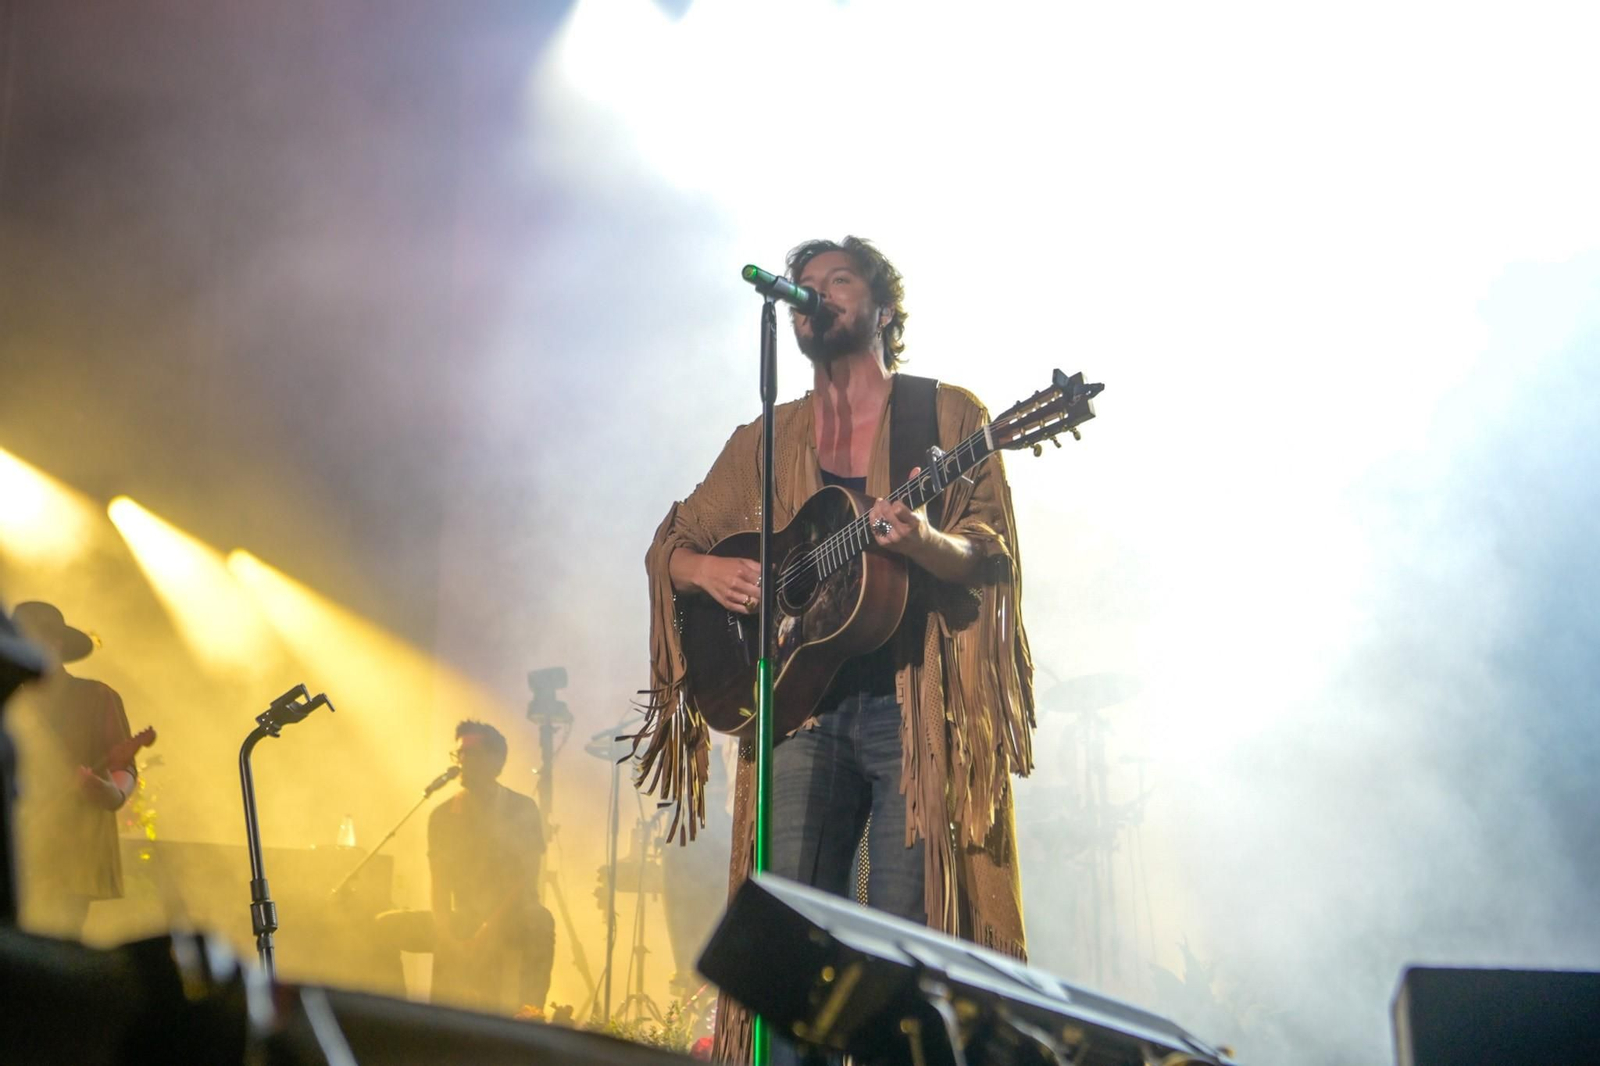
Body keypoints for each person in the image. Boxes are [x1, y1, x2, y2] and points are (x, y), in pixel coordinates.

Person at [636, 237, 1037, 1061]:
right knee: (786, 947)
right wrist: (708, 570)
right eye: (804, 288)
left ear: (884, 310)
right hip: (798, 713)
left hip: (912, 714)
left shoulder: (948, 414)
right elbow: (673, 544)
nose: (814, 296)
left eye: (837, 282)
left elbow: (987, 552)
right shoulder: (767, 436)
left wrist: (924, 541)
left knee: (902, 951)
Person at [8, 601, 136, 940]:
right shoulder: (8, 700)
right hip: (18, 845)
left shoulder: (96, 696)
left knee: (54, 944)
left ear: (58, 644)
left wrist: (115, 792)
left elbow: (122, 767)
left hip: (72, 852)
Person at [427, 719, 554, 1014]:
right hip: (462, 915)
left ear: (496, 761)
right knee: (386, 924)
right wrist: (445, 932)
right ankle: (422, 1027)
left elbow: (525, 879)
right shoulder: (442, 815)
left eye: (471, 753)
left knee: (541, 921)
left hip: (512, 915)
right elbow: (439, 881)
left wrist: (486, 930)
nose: (462, 760)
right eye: (459, 753)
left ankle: (530, 1014)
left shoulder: (521, 808)